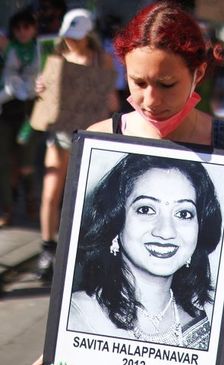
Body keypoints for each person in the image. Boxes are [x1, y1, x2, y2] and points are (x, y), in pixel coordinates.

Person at [29, 3, 224, 365]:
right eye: (137, 81)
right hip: (121, 364)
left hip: (221, 344)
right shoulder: (100, 140)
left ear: (198, 73)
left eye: (166, 84)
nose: (149, 99)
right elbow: (77, 258)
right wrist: (63, 344)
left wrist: (219, 358)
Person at [69, 154, 222, 350]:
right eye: (146, 210)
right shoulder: (80, 315)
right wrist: (59, 358)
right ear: (115, 220)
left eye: (183, 214)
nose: (166, 232)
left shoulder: (207, 313)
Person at [36, 8, 118, 280]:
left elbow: (111, 99)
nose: (72, 41)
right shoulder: (57, 57)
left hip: (90, 136)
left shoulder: (101, 60)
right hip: (60, 133)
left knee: (87, 197)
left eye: (77, 36)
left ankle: (84, 253)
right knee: (51, 193)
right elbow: (45, 98)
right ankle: (48, 248)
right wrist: (42, 90)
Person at [0, 8, 39, 227]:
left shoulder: (42, 50)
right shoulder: (8, 48)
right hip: (5, 110)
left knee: (26, 164)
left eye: (27, 27)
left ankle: (31, 200)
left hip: (30, 112)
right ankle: (6, 208)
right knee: (3, 163)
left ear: (34, 29)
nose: (23, 32)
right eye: (18, 28)